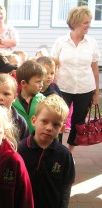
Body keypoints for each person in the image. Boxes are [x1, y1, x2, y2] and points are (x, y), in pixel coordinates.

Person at [18, 95, 75, 208]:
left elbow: (66, 184)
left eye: (55, 124)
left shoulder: (64, 155)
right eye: (44, 121)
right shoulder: (20, 150)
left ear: (61, 129)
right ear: (34, 121)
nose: (49, 128)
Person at [51, 6, 100, 151]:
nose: (89, 25)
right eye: (86, 22)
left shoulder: (92, 43)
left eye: (89, 22)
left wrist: (96, 93)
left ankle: (70, 152)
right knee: (58, 118)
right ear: (76, 22)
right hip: (62, 87)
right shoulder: (61, 42)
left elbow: (95, 69)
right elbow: (53, 65)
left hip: (85, 88)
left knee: (78, 122)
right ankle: (56, 149)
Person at [0, 73, 29, 141]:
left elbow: (24, 146)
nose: (0, 98)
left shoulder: (20, 121)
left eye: (6, 94)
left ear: (14, 97)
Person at [13, 60, 45, 134]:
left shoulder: (43, 101)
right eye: (38, 82)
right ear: (24, 83)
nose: (41, 85)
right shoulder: (12, 102)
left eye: (42, 81)